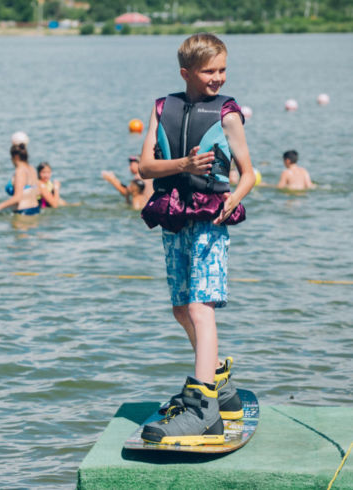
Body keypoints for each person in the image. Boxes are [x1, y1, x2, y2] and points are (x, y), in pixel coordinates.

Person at [137, 33, 256, 446]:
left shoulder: (227, 115)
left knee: (199, 307)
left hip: (210, 217)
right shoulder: (160, 108)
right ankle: (220, 383)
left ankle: (202, 406)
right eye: (209, 71)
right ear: (186, 72)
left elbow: (249, 172)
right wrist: (183, 163)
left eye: (222, 69)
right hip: (174, 216)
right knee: (179, 309)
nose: (218, 78)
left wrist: (234, 199)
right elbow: (147, 169)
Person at [0, 143, 40, 216]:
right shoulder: (32, 169)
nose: (11, 160)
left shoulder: (20, 171)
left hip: (23, 212)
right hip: (36, 209)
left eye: (11, 157)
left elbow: (18, 197)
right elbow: (38, 192)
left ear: (16, 157)